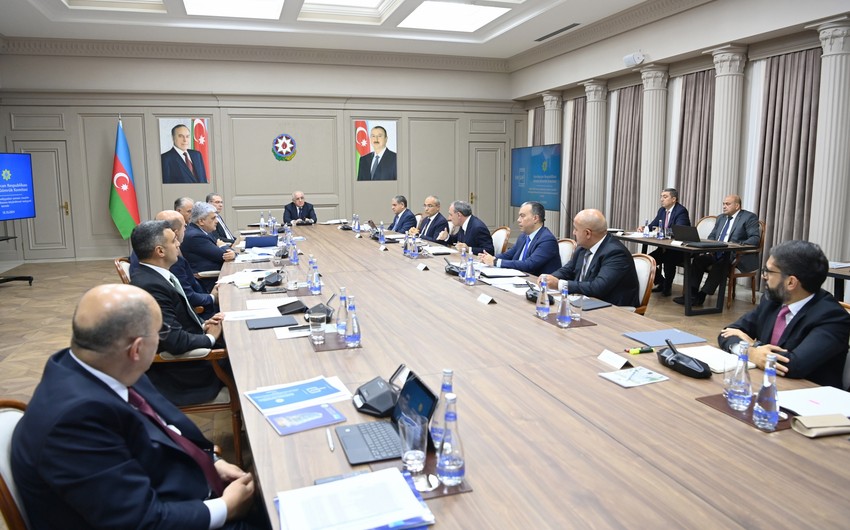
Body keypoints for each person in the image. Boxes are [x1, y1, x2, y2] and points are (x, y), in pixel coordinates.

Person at [11, 284, 260, 530]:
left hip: (181, 487)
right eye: (160, 333)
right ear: (137, 349)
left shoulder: (107, 363)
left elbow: (165, 429)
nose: (161, 340)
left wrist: (211, 461)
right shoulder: (73, 423)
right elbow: (140, 521)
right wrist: (226, 508)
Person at [719, 240, 850, 388]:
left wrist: (752, 347)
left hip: (809, 394)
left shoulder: (832, 317)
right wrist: (752, 352)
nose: (764, 276)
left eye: (769, 271)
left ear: (791, 282)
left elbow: (793, 365)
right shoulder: (772, 301)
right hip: (766, 384)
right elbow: (727, 333)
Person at [130, 220, 226, 405]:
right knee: (249, 357)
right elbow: (174, 341)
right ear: (160, 251)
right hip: (184, 372)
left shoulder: (157, 276)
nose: (179, 244)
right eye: (174, 241)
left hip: (192, 349)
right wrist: (210, 338)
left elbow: (175, 321)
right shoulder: (150, 286)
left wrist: (203, 325)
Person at [129, 211, 219, 320]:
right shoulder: (164, 262)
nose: (178, 244)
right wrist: (212, 298)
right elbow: (187, 298)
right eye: (185, 226)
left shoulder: (144, 251)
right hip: (196, 313)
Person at [674, 195, 760, 306]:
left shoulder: (749, 217)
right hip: (716, 252)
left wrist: (736, 245)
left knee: (721, 264)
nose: (724, 206)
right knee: (698, 260)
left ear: (737, 206)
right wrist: (710, 247)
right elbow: (712, 236)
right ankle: (691, 294)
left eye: (727, 204)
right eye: (723, 204)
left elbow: (755, 238)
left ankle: (702, 295)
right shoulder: (721, 218)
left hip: (735, 255)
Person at [546, 209, 640, 307]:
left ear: (588, 233)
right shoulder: (583, 248)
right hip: (583, 302)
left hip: (611, 309)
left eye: (576, 229)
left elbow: (598, 288)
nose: (573, 233)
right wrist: (550, 278)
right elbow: (568, 270)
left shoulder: (616, 253)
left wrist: (560, 284)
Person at [478, 201, 560, 276]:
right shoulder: (523, 236)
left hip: (535, 282)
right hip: (518, 278)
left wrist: (496, 262)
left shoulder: (547, 240)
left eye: (522, 216)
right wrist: (491, 258)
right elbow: (508, 255)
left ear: (535, 218)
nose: (518, 220)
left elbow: (529, 265)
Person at [642, 188, 690, 296]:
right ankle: (661, 282)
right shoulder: (662, 211)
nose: (661, 199)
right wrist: (644, 228)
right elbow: (653, 225)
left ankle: (667, 287)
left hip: (678, 250)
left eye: (665, 197)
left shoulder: (681, 211)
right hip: (664, 248)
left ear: (673, 199)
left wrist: (662, 230)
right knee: (647, 261)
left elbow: (680, 230)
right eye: (661, 196)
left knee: (669, 260)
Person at [182, 202, 236, 292]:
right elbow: (223, 255)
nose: (217, 221)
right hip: (208, 282)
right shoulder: (195, 236)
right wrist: (223, 246)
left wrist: (232, 253)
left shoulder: (204, 231)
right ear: (201, 221)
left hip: (218, 275)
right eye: (213, 218)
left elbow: (227, 253)